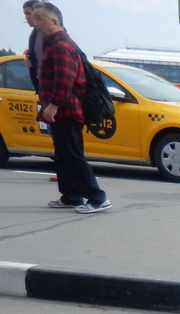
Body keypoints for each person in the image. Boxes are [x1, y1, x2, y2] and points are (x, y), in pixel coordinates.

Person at [32, 4, 110, 213]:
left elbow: (64, 80)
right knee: (63, 155)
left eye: (39, 19)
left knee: (73, 155)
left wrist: (53, 105)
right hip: (61, 111)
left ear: (54, 21)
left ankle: (97, 198)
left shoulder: (61, 46)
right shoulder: (54, 44)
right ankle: (71, 196)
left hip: (66, 110)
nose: (35, 23)